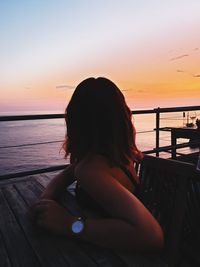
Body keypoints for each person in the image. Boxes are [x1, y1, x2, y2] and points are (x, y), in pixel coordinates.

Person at [30, 77, 164, 252]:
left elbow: (152, 237)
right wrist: (45, 200)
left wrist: (68, 224)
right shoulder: (112, 156)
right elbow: (65, 176)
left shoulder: (91, 170)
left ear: (76, 122)